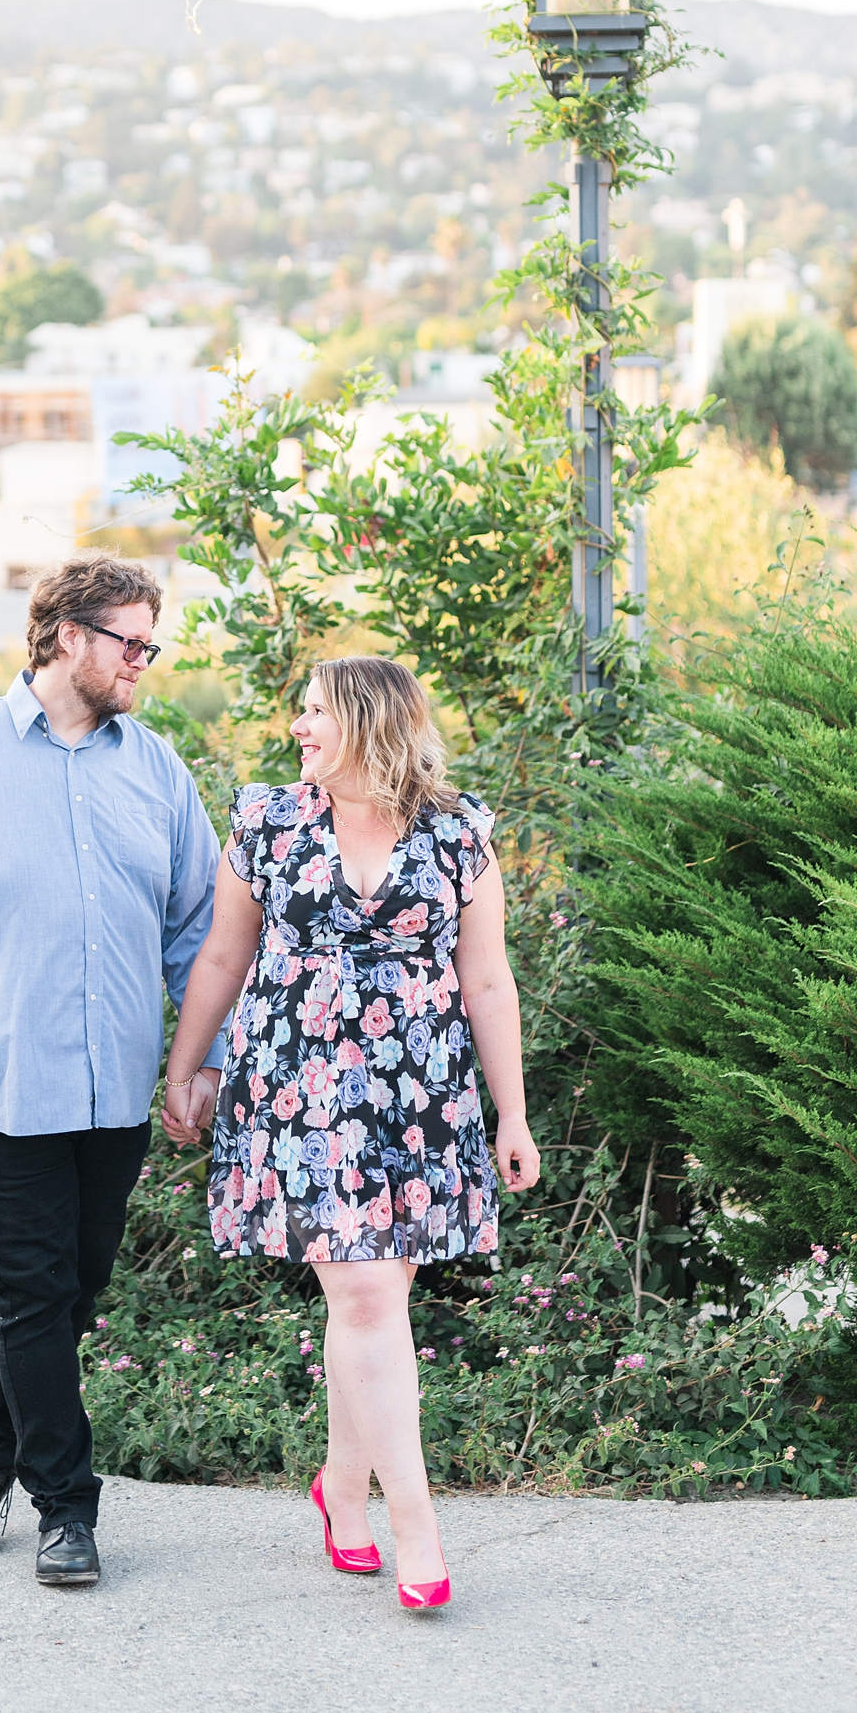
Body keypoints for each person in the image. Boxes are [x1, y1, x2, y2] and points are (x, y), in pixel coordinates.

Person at [0, 554, 222, 1588]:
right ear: (67, 634)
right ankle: (68, 1508)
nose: (143, 661)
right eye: (130, 640)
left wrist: (200, 1062)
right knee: (33, 1287)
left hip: (112, 1081)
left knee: (74, 1291)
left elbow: (196, 929)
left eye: (151, 643)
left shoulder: (154, 769)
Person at [161, 656, 540, 1610]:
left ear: (369, 723)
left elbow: (488, 980)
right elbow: (223, 952)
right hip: (301, 1089)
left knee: (369, 1306)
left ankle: (341, 1487)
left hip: (421, 1096)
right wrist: (184, 1065)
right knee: (369, 1296)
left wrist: (514, 1112)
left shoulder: (460, 833)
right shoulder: (268, 821)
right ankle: (419, 1527)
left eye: (316, 712)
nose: (299, 726)